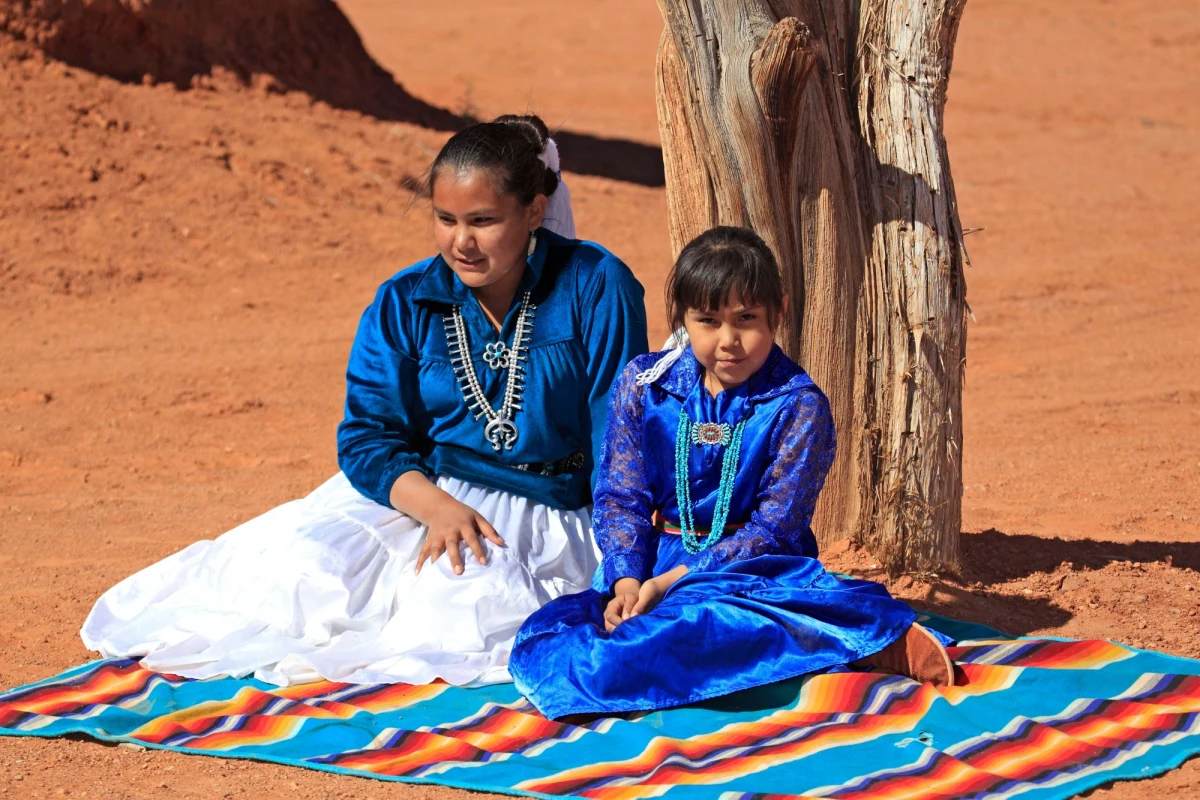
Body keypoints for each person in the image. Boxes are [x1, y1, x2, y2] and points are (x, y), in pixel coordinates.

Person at [80, 114, 649, 687]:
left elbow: (618, 439)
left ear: (531, 212)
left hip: (550, 512)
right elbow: (368, 436)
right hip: (424, 495)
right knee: (299, 576)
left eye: (483, 221)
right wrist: (436, 509)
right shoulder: (404, 299)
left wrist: (622, 565)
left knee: (466, 616)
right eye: (445, 219)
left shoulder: (595, 285)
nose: (461, 241)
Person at [510, 226, 952, 719]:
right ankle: (828, 644)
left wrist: (674, 582)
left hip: (753, 570)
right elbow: (621, 496)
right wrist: (626, 581)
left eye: (747, 319)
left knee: (691, 624)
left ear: (778, 310)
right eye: (707, 321)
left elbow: (775, 529)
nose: (729, 341)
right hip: (650, 564)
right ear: (682, 315)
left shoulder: (798, 406)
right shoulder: (645, 385)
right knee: (551, 640)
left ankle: (869, 640)